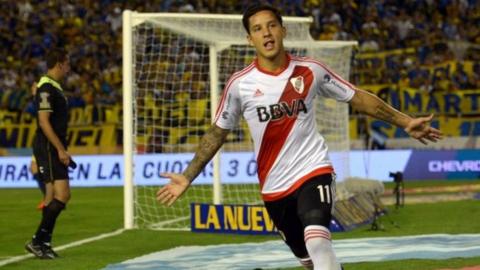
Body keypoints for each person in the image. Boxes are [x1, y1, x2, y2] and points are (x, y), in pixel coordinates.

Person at [156, 4, 442, 270]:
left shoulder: (311, 70)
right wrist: (188, 175)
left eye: (271, 25)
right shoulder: (240, 85)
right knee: (307, 259)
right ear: (249, 39)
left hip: (312, 170)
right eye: (258, 28)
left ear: (283, 30)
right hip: (273, 186)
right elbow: (218, 131)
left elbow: (357, 98)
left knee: (318, 240)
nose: (266, 32)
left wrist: (405, 121)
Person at [25, 48, 73, 259]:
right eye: (68, 63)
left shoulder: (51, 87)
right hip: (48, 147)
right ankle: (38, 241)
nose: (69, 68)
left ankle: (42, 242)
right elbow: (44, 122)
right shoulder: (47, 87)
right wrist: (60, 149)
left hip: (53, 146)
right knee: (60, 195)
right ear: (60, 63)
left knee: (58, 196)